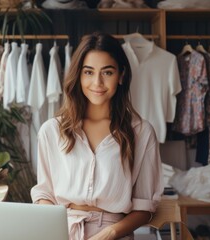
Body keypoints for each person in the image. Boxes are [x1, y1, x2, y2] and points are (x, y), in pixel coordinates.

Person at [30, 32, 163, 240]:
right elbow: (44, 194)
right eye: (89, 72)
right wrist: (55, 229)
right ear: (78, 76)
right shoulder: (52, 131)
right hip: (62, 230)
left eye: (107, 72)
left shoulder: (141, 132)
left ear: (121, 76)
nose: (97, 82)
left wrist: (110, 233)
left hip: (115, 233)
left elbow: (145, 207)